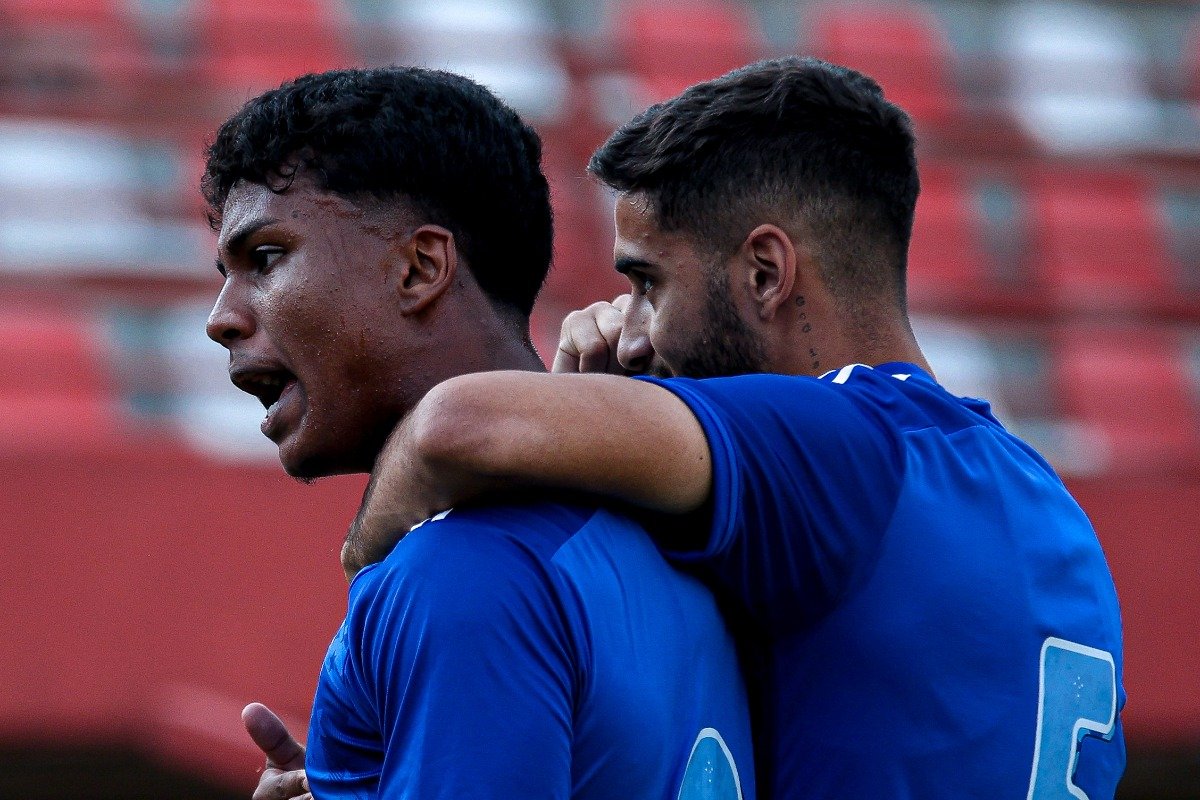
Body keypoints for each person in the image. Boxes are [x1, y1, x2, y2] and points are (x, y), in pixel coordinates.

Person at [343, 57, 1127, 799]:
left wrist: (365, 567)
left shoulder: (839, 446)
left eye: (650, 282)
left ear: (765, 272)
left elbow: (455, 427)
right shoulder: (1043, 501)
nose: (635, 332)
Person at [202, 66, 753, 800]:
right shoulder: (684, 542)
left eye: (265, 258)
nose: (221, 317)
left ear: (420, 267)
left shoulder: (457, 576)